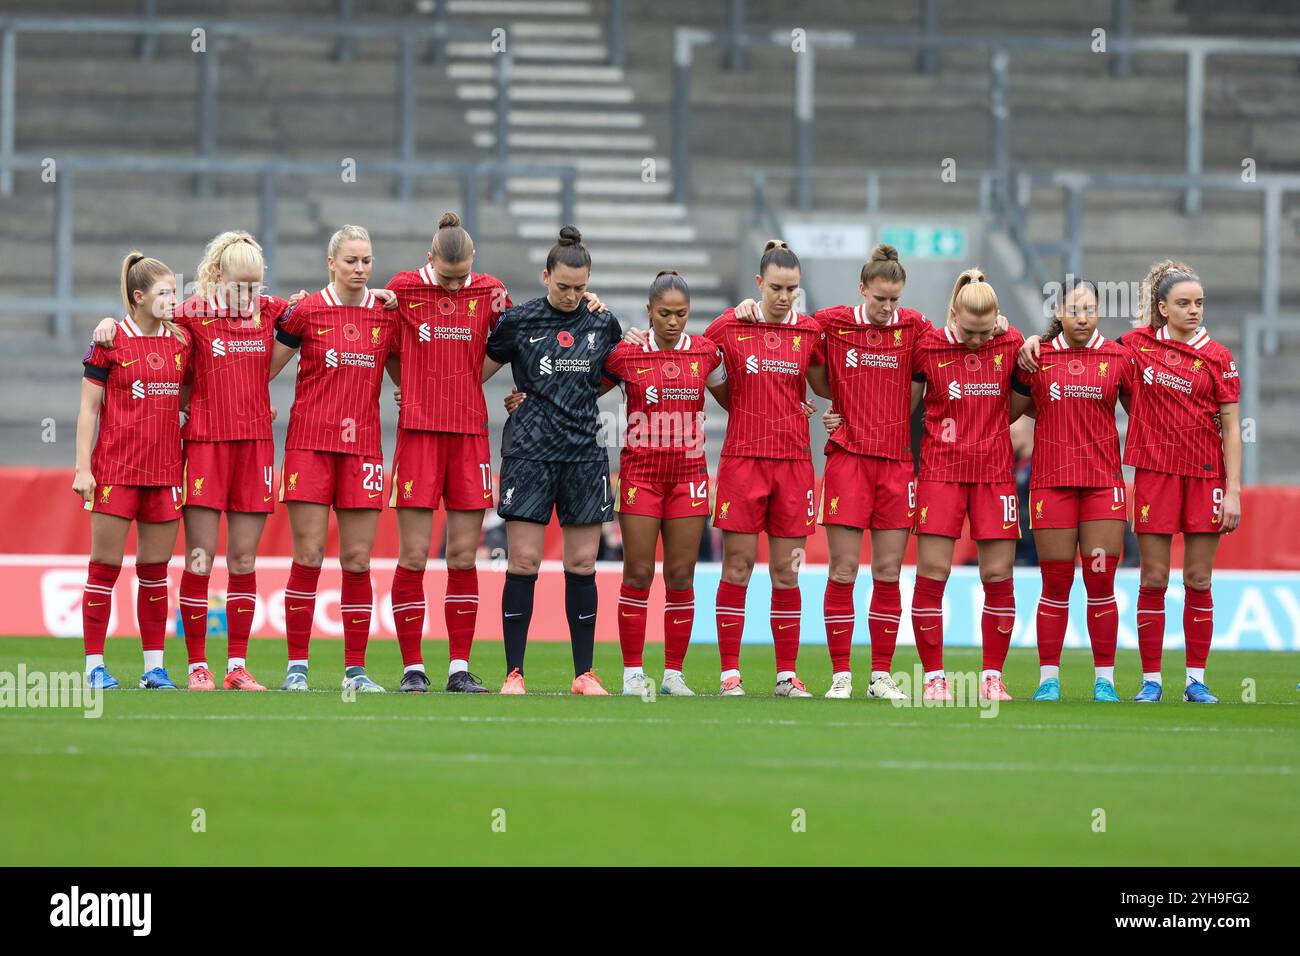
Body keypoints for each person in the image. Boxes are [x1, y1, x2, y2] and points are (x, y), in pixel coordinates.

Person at [1020, 261, 1242, 703]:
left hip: (1202, 477)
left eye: (1198, 303)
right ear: (1162, 307)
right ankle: (1150, 681)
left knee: (1197, 579)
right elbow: (1038, 388)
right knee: (1152, 578)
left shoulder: (1215, 357)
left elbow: (1233, 426)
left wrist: (1234, 489)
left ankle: (1194, 680)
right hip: (1152, 476)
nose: (1193, 310)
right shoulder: (1134, 347)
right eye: (1183, 303)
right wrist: (1030, 340)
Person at [90, 232, 304, 690]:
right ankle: (197, 666)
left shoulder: (271, 310)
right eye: (239, 285)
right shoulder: (191, 313)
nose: (249, 295)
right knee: (200, 558)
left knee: (244, 560)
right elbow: (145, 323)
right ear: (216, 277)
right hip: (205, 445)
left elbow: (328, 307)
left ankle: (237, 668)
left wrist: (384, 297)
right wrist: (108, 322)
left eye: (256, 285)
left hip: (256, 448)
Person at [742, 244, 929, 700]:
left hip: (898, 463)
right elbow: (788, 336)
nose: (887, 308)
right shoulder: (830, 322)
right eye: (879, 298)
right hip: (847, 459)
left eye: (895, 299)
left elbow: (961, 331)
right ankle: (842, 675)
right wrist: (748, 309)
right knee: (843, 570)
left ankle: (880, 675)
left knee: (887, 571)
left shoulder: (915, 326)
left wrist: (1010, 329)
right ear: (862, 289)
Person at [482, 226, 624, 695]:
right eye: (563, 286)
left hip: (583, 454)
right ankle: (513, 674)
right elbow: (477, 371)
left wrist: (569, 398)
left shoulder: (603, 323)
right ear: (546, 276)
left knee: (583, 565)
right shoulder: (518, 322)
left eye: (581, 288)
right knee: (523, 561)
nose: (572, 295)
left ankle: (584, 673)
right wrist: (518, 395)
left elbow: (609, 378)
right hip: (528, 454)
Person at [382, 212, 511, 694]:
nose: (455, 287)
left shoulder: (492, 292)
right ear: (428, 259)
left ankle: (459, 667)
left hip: (469, 435)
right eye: (445, 277)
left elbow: (522, 337)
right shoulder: (403, 289)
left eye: (462, 278)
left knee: (461, 556)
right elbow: (383, 344)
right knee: (414, 557)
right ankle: (413, 667)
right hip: (418, 434)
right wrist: (408, 383)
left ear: (474, 263)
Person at [269, 225, 400, 692]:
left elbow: (409, 373)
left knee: (359, 560)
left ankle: (355, 671)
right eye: (351, 261)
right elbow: (262, 369)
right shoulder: (305, 311)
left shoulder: (387, 315)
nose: (360, 269)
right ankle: (297, 668)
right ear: (331, 263)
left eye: (366, 260)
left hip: (363, 448)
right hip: (309, 445)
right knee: (307, 555)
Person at [703, 240, 828, 697]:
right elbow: (700, 364)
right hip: (742, 462)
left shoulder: (811, 333)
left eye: (791, 289)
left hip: (794, 464)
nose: (783, 296)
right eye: (775, 287)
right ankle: (729, 674)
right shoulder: (729, 325)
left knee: (787, 572)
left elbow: (828, 385)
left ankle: (785, 675)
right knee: (736, 567)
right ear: (758, 283)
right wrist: (738, 405)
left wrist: (829, 413)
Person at [595, 271, 727, 696]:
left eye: (682, 314)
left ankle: (673, 673)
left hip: (689, 476)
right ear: (649, 312)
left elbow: (736, 387)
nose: (673, 321)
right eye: (665, 313)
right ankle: (633, 671)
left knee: (681, 575)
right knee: (636, 573)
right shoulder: (625, 355)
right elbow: (581, 388)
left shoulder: (706, 353)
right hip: (641, 477)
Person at [1010, 277, 1135, 702]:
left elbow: (1147, 412)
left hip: (1102, 489)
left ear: (1099, 312)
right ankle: (1049, 679)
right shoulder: (1036, 358)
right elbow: (1003, 410)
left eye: (1089, 310)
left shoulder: (1119, 358)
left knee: (1101, 585)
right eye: (1073, 310)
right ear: (1058, 313)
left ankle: (1106, 680)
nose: (1082, 318)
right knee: (1055, 585)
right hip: (1052, 487)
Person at [909, 269, 1030, 701]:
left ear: (997, 319)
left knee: (998, 575)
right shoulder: (927, 345)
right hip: (941, 472)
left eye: (985, 331)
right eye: (968, 331)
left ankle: (992, 677)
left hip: (995, 474)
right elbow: (903, 405)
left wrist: (1016, 334)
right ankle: (934, 677)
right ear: (953, 314)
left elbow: (1018, 405)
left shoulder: (1012, 343)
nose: (977, 340)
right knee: (933, 574)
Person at [75, 252, 190, 690]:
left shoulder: (181, 340)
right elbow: (88, 409)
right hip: (116, 471)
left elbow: (185, 396)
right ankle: (94, 667)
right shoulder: (108, 340)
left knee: (155, 571)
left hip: (164, 473)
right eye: (164, 293)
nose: (173, 299)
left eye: (175, 291)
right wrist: (82, 468)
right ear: (139, 297)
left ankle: (154, 668)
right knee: (104, 566)